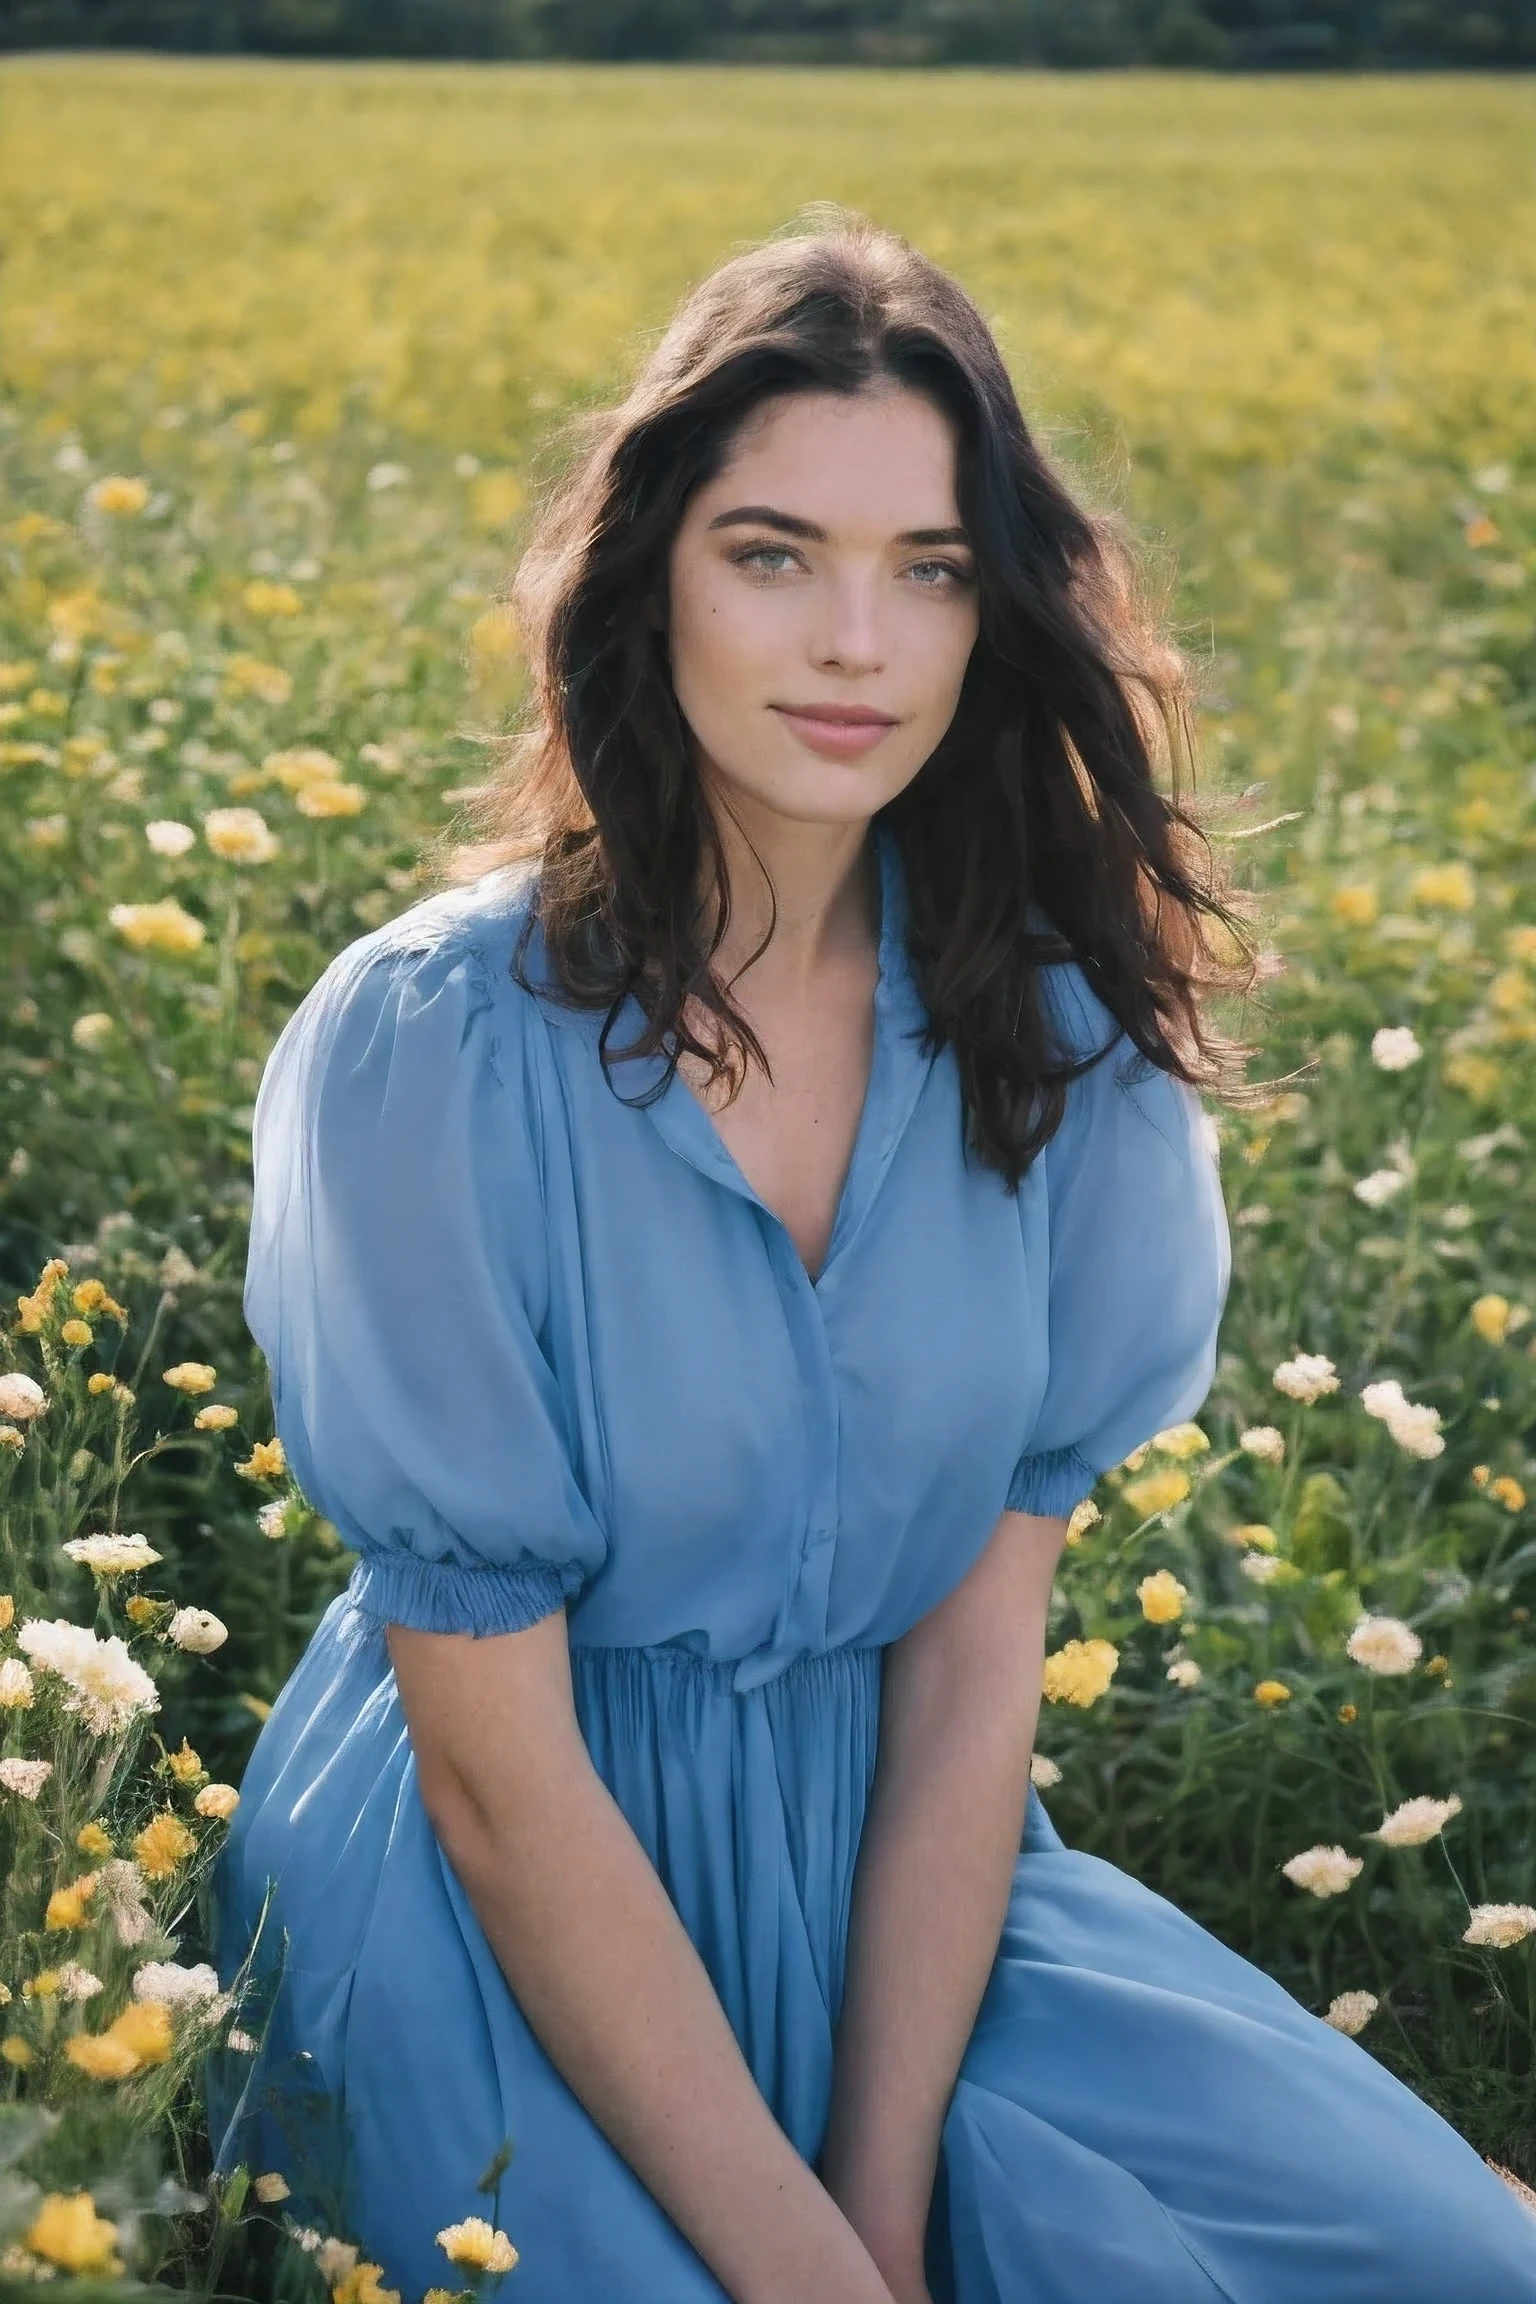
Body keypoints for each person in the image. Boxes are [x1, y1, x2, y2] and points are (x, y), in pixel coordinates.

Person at [206, 213, 1536, 2304]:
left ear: (993, 615)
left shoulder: (1066, 1041)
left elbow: (969, 1673)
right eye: (772, 553)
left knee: (1444, 2262)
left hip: (899, 1865)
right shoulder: (431, 1045)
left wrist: (884, 2209)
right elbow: (488, 1763)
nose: (859, 643)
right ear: (645, 579)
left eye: (927, 569)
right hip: (495, 1883)